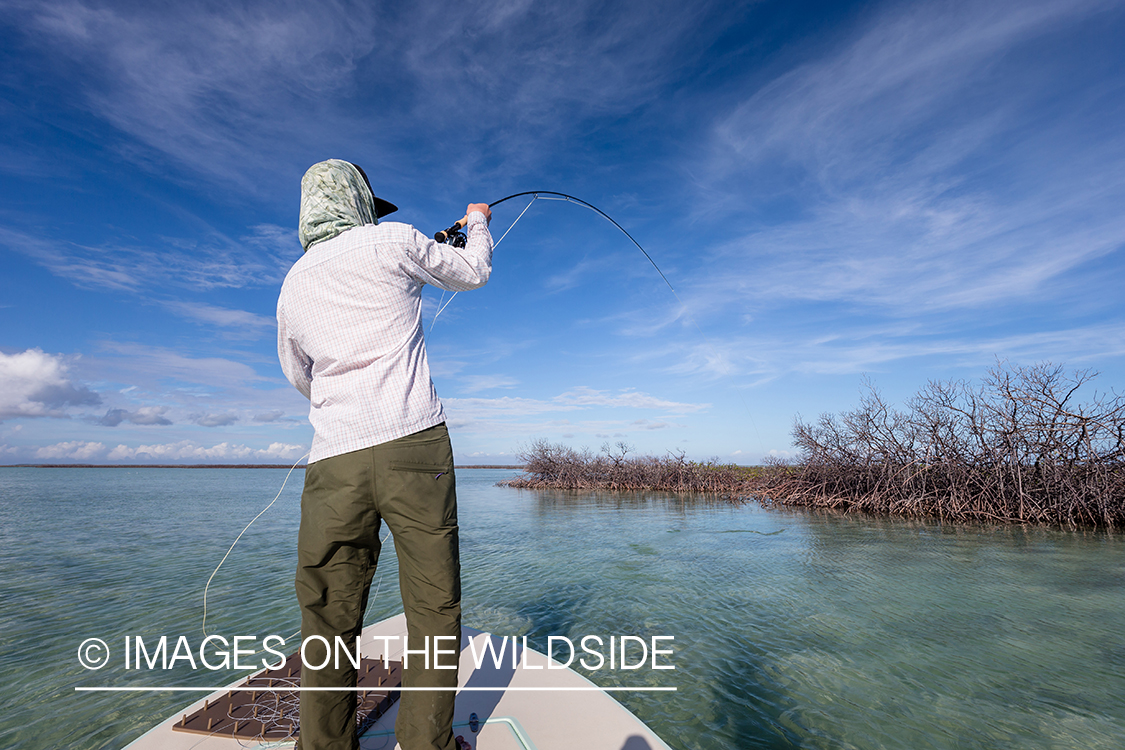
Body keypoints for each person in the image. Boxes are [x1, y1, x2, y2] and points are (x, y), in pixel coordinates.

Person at [276, 159, 493, 750]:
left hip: (333, 460)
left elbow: (301, 376)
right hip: (413, 447)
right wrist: (475, 223)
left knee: (327, 615)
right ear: (358, 204)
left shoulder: (293, 283)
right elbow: (473, 271)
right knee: (432, 605)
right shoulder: (393, 240)